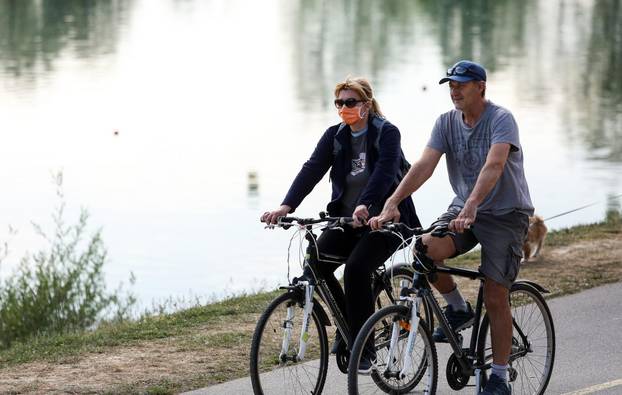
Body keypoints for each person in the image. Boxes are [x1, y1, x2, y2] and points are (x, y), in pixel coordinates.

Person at [369, 60, 533, 395]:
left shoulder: (501, 120)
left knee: (495, 292)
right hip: (464, 209)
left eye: (461, 84)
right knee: (425, 250)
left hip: (504, 214)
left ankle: (500, 376)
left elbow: (495, 165)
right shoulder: (446, 122)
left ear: (481, 87)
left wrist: (473, 205)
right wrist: (392, 202)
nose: (454, 90)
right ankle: (458, 308)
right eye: (450, 84)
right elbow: (424, 165)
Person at [261, 77, 420, 373]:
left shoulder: (386, 133)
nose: (344, 108)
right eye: (339, 103)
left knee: (357, 269)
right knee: (315, 266)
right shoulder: (335, 136)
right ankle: (349, 326)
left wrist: (368, 203)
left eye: (350, 102)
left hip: (386, 221)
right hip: (346, 220)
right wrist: (286, 206)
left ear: (366, 105)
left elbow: (385, 172)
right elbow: (312, 169)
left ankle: (365, 347)